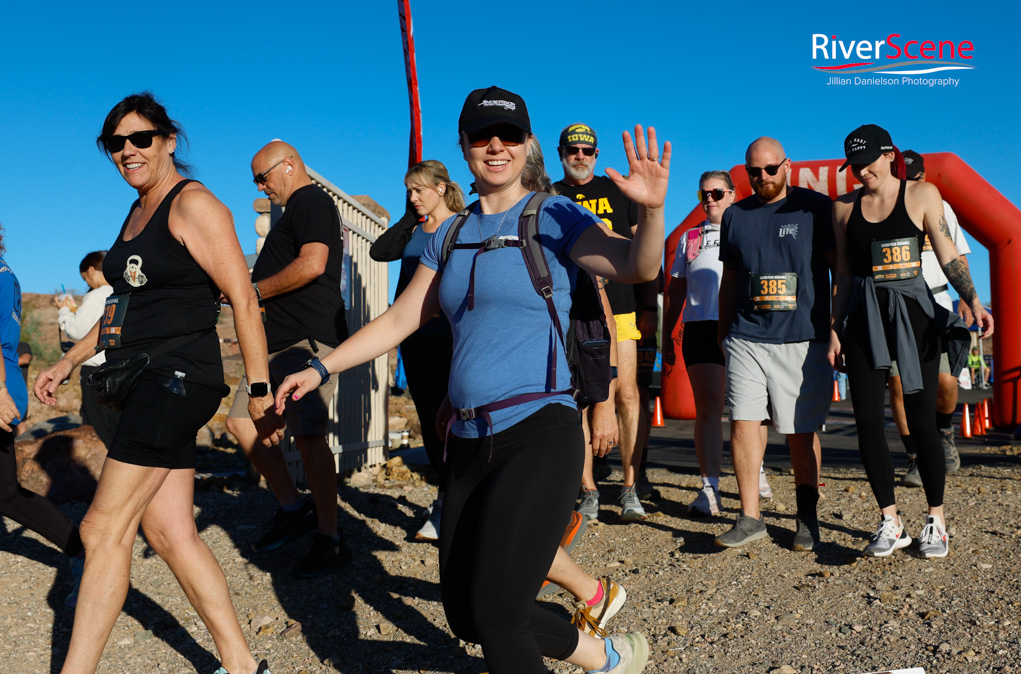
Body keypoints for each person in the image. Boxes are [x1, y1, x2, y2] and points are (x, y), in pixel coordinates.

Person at [276, 86, 665, 674]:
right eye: (483, 135)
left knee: (499, 614)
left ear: (528, 144)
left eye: (510, 135)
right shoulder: (449, 234)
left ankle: (594, 653)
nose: (496, 146)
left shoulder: (555, 215)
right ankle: (607, 656)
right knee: (465, 615)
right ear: (463, 146)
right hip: (467, 439)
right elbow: (402, 318)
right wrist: (320, 366)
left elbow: (636, 264)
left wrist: (652, 211)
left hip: (539, 429)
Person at [34, 92, 276, 674]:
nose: (128, 151)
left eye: (141, 138)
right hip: (145, 376)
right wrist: (69, 361)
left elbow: (243, 298)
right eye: (116, 143)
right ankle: (243, 666)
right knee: (169, 531)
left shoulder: (193, 204)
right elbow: (122, 312)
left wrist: (260, 389)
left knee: (101, 528)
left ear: (168, 141)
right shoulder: (136, 212)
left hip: (176, 377)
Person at [830, 124, 990, 559]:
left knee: (922, 421)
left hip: (915, 314)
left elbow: (948, 253)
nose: (862, 172)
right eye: (854, 166)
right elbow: (842, 273)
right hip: (864, 316)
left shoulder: (922, 195)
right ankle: (890, 520)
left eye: (868, 163)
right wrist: (834, 328)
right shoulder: (843, 208)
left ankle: (936, 521)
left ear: (889, 155)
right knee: (867, 420)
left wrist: (973, 300)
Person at [224, 141, 351, 579]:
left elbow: (313, 264)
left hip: (306, 342)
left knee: (308, 436)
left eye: (263, 178)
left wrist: (253, 291)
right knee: (242, 424)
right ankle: (295, 509)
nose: (260, 187)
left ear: (290, 166)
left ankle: (330, 537)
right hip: (273, 345)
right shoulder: (292, 212)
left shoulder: (311, 201)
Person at [714, 137, 833, 552]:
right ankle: (750, 517)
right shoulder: (735, 215)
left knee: (800, 431)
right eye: (754, 171)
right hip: (747, 335)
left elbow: (839, 270)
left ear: (787, 166)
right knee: (743, 422)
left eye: (770, 169)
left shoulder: (815, 208)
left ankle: (807, 517)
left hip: (801, 336)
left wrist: (836, 327)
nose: (762, 177)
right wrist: (723, 330)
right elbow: (730, 279)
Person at [554, 123, 649, 522]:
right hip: (573, 311)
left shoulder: (617, 191)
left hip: (622, 306)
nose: (580, 156)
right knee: (578, 398)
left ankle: (630, 486)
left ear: (596, 155)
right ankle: (588, 489)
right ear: (561, 153)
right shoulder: (551, 195)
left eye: (587, 150)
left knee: (626, 393)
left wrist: (650, 306)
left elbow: (643, 246)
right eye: (572, 149)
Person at [369, 160, 464, 541]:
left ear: (441, 188)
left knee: (454, 419)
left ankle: (458, 501)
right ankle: (444, 501)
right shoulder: (414, 230)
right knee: (428, 419)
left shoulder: (462, 224)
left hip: (451, 336)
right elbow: (379, 252)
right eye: (408, 191)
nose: (412, 197)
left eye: (419, 190)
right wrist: (412, 217)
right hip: (416, 338)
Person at [1, 228, 86, 608]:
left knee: (6, 493)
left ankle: (83, 552)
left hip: (1, 389)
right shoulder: (7, 274)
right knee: (5, 492)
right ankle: (82, 551)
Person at [893, 150, 974, 485]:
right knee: (898, 384)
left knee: (946, 380)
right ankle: (915, 457)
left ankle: (944, 432)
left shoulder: (941, 206)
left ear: (923, 177)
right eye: (903, 178)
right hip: (896, 302)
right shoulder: (885, 206)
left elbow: (957, 255)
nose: (908, 184)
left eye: (913, 179)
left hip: (937, 299)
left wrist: (966, 298)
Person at [56, 251, 118, 447]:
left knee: (95, 423)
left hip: (95, 369)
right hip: (118, 367)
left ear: (91, 270)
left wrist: (64, 311)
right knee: (115, 422)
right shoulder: (120, 293)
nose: (87, 283)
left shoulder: (97, 295)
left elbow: (77, 330)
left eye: (85, 278)